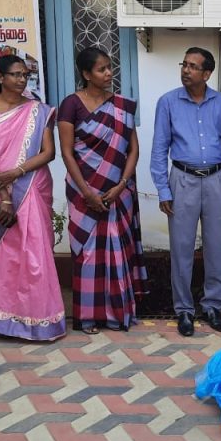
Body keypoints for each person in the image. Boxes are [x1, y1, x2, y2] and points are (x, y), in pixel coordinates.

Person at [0, 54, 65, 341]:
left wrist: (17, 172)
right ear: (0, 77)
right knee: (5, 255)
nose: (22, 80)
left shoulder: (39, 110)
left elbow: (49, 152)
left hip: (32, 185)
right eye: (16, 74)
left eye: (25, 75)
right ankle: (3, 320)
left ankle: (40, 320)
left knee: (36, 252)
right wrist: (4, 196)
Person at [150, 47, 221, 337]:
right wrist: (163, 190)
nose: (186, 70)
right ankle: (184, 310)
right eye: (184, 64)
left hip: (217, 181)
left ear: (207, 73)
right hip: (182, 180)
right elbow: (159, 149)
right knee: (181, 248)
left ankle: (213, 306)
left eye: (193, 66)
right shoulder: (167, 102)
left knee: (216, 246)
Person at [58, 47, 147, 333]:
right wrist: (87, 193)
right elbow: (67, 153)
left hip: (118, 192)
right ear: (86, 74)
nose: (109, 73)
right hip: (83, 191)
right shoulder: (71, 104)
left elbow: (133, 149)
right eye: (101, 69)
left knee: (118, 250)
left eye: (110, 67)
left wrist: (121, 185)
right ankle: (87, 316)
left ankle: (118, 314)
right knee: (87, 253)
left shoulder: (121, 106)